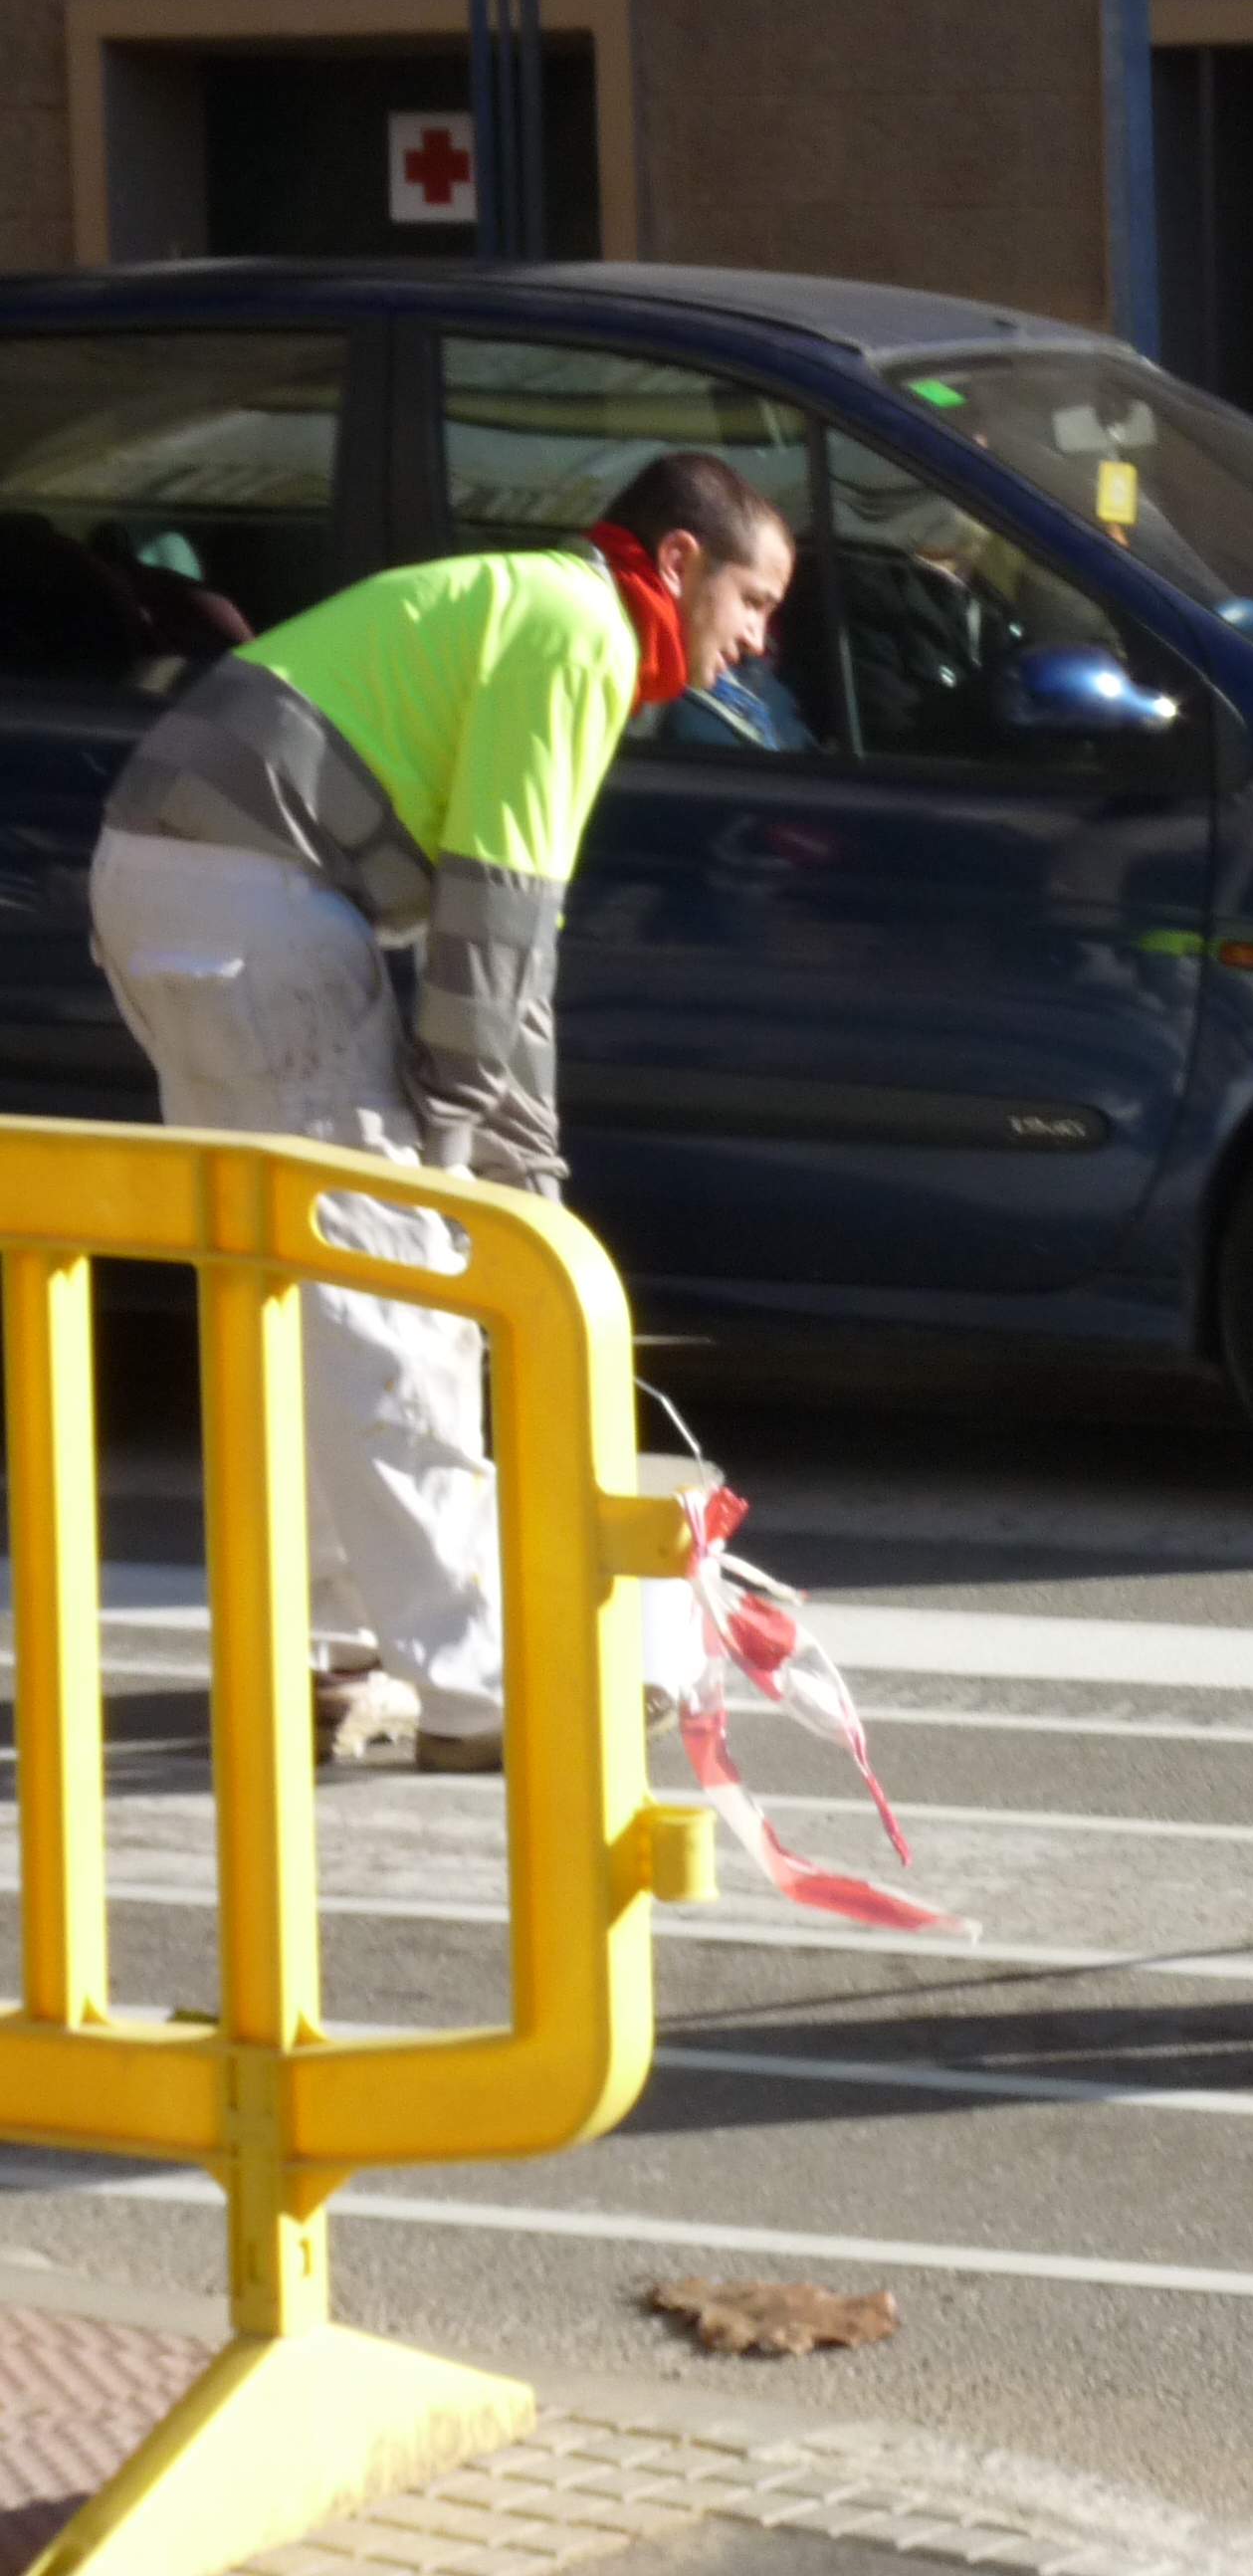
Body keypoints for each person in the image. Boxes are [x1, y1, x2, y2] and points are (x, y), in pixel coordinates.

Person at [88, 454, 791, 1772]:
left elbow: (510, 948)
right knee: (387, 1300)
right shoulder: (583, 628)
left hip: (183, 883)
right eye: (754, 602)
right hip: (246, 901)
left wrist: (514, 1157)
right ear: (680, 565)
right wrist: (471, 1156)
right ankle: (482, 1687)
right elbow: (498, 917)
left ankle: (333, 1643)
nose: (758, 644)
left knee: (298, 1294)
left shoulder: (528, 607)